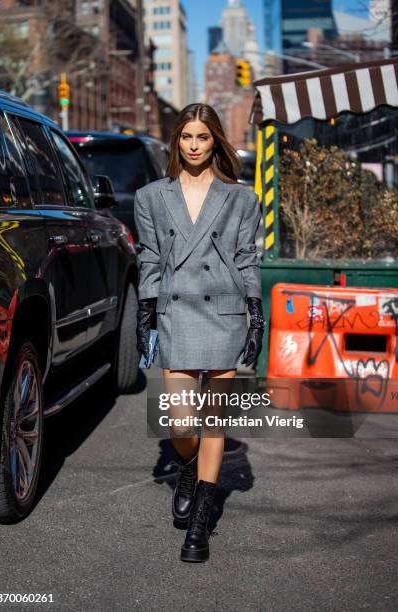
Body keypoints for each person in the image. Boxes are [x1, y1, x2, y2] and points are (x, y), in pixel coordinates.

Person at [134, 103, 264, 563]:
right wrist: (145, 315)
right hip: (176, 313)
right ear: (176, 142)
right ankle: (188, 467)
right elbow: (149, 258)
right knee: (181, 423)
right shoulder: (151, 196)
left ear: (215, 142)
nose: (193, 146)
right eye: (186, 137)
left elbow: (247, 258)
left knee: (213, 422)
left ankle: (200, 524)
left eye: (202, 137)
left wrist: (256, 313)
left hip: (225, 312)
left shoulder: (241, 198)